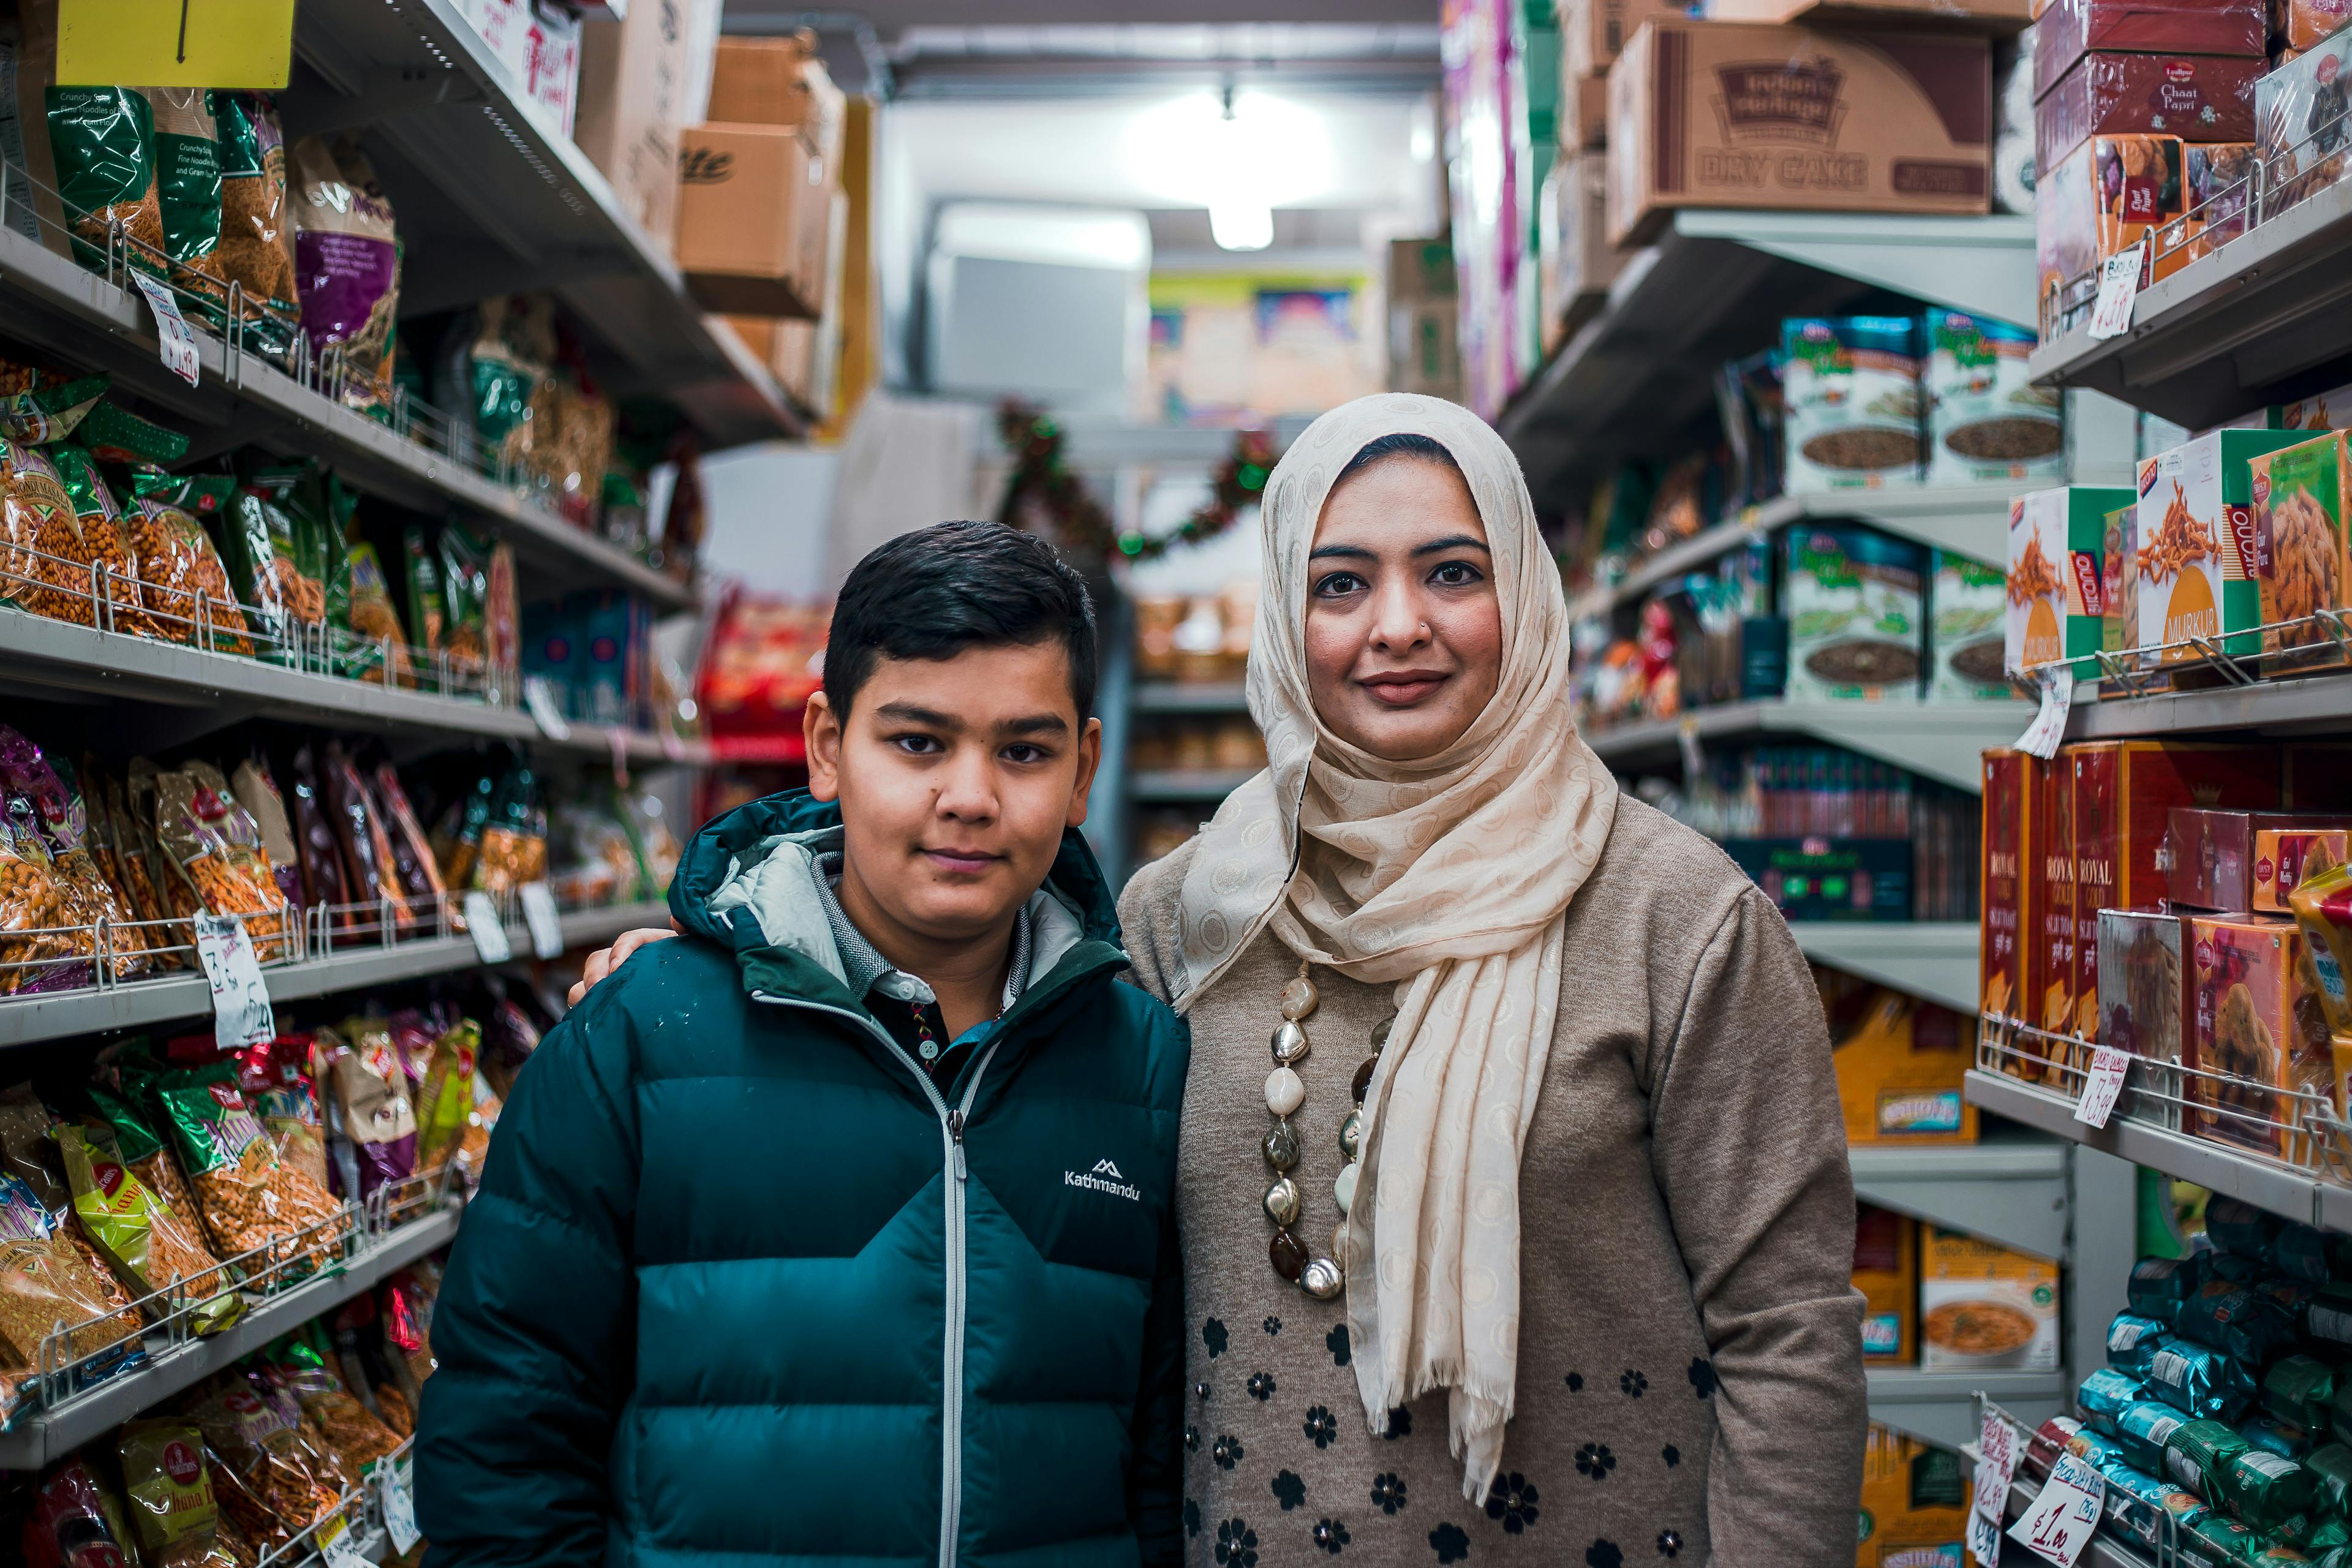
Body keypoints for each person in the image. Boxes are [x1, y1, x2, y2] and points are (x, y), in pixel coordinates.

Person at [575, 396, 1868, 1564]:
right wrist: (721, 966)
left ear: (1526, 596)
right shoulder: (1184, 912)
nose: (1397, 625)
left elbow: (1788, 1328)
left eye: (1454, 573)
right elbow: (956, 1050)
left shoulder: (1678, 919)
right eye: (1341, 580)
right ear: (1284, 618)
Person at [415, 521, 1190, 1567]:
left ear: (1084, 767)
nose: (968, 796)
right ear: (827, 746)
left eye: (1024, 750)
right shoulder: (642, 1040)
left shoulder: (1144, 1067)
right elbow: (504, 1440)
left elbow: (1158, 1462)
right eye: (918, 742)